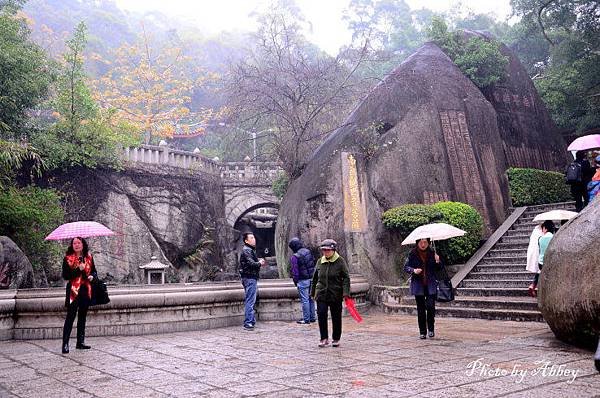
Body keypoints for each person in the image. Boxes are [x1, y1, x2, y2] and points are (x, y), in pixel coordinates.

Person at [311, 239, 350, 348]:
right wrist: (313, 292)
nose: (326, 252)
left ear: (333, 250)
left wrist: (346, 293)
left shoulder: (340, 261)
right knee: (322, 315)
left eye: (328, 250)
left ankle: (336, 338)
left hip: (335, 293)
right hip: (321, 293)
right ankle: (324, 338)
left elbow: (346, 278)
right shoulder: (320, 261)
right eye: (324, 250)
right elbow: (314, 278)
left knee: (336, 316)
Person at [62, 237, 97, 354]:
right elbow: (66, 276)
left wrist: (92, 276)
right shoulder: (68, 259)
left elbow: (94, 271)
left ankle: (80, 342)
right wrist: (78, 269)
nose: (76, 245)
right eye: (74, 243)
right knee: (70, 316)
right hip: (73, 290)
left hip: (85, 290)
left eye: (78, 243)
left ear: (83, 244)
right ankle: (65, 344)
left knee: (82, 316)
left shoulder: (89, 257)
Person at [403, 238, 442, 339]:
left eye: (425, 242)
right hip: (418, 285)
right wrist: (414, 270)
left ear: (428, 243)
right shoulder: (412, 253)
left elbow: (439, 270)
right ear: (417, 243)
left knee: (430, 307)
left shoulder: (432, 253)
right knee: (420, 309)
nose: (423, 244)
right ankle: (422, 332)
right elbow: (406, 267)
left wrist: (438, 262)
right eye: (421, 242)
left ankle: (431, 329)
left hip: (430, 284)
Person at [239, 232, 266, 331]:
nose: (254, 239)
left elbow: (249, 262)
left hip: (250, 277)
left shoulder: (249, 250)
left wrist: (258, 261)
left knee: (251, 299)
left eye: (254, 237)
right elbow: (251, 263)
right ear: (246, 240)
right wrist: (259, 263)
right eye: (251, 238)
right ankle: (248, 322)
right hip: (249, 278)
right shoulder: (247, 250)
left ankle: (251, 320)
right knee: (250, 300)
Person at [288, 237, 316, 324]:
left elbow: (295, 271)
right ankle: (312, 317)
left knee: (304, 300)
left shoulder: (295, 257)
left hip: (302, 280)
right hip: (311, 278)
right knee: (311, 299)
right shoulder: (308, 252)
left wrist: (295, 281)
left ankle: (306, 319)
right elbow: (313, 264)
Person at [529, 220, 555, 297]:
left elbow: (540, 249)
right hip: (549, 260)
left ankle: (533, 285)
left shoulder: (540, 238)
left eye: (543, 228)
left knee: (540, 272)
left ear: (546, 229)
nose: (542, 230)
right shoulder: (553, 237)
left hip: (540, 261)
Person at [526, 224, 544, 297]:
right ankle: (534, 285)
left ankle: (533, 285)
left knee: (539, 271)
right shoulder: (543, 234)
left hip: (534, 254)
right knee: (541, 271)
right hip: (541, 255)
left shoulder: (535, 230)